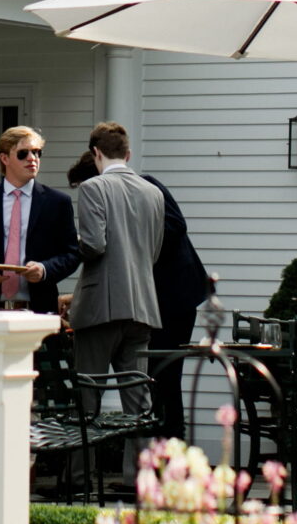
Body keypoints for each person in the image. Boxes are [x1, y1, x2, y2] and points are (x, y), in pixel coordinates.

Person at [71, 126, 212, 435]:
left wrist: (126, 243)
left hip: (171, 296)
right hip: (144, 300)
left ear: (97, 160)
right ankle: (149, 464)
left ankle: (168, 452)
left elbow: (171, 229)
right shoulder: (146, 192)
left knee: (164, 377)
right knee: (144, 386)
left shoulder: (144, 189)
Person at [70, 124, 166, 435]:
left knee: (88, 398)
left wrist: (72, 244)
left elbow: (95, 245)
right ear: (127, 154)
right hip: (143, 305)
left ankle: (81, 480)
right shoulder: (153, 193)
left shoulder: (93, 188)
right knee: (138, 400)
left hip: (101, 307)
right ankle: (142, 476)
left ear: (95, 152)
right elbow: (154, 252)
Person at [0, 126, 80, 312]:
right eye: (23, 153)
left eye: (37, 153)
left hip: (38, 309)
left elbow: (71, 254)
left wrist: (44, 269)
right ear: (4, 158)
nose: (32, 158)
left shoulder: (57, 202)